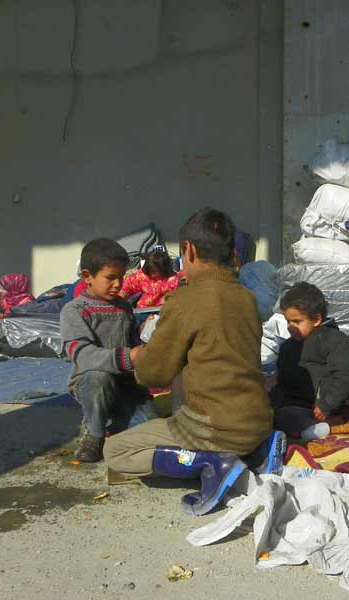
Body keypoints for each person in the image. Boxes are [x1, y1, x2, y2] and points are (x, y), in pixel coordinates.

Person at [104, 208, 283, 516]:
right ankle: (255, 455)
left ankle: (211, 463)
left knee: (116, 452)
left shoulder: (186, 300)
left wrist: (143, 353)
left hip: (214, 429)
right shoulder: (247, 298)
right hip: (258, 422)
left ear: (189, 250)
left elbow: (153, 374)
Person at [60, 239, 148, 462]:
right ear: (87, 276)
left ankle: (113, 421)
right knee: (99, 377)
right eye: (110, 278)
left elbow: (133, 343)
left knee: (151, 429)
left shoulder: (124, 307)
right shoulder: (74, 310)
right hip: (90, 382)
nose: (118, 284)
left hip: (125, 383)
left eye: (122, 277)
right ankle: (94, 431)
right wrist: (129, 357)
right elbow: (82, 355)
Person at [270, 282, 349, 440]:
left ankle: (319, 428)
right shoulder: (288, 347)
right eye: (288, 321)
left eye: (297, 321)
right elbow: (281, 378)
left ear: (316, 319)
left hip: (319, 407)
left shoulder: (335, 341)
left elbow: (344, 375)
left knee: (292, 419)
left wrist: (327, 405)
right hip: (291, 404)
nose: (290, 326)